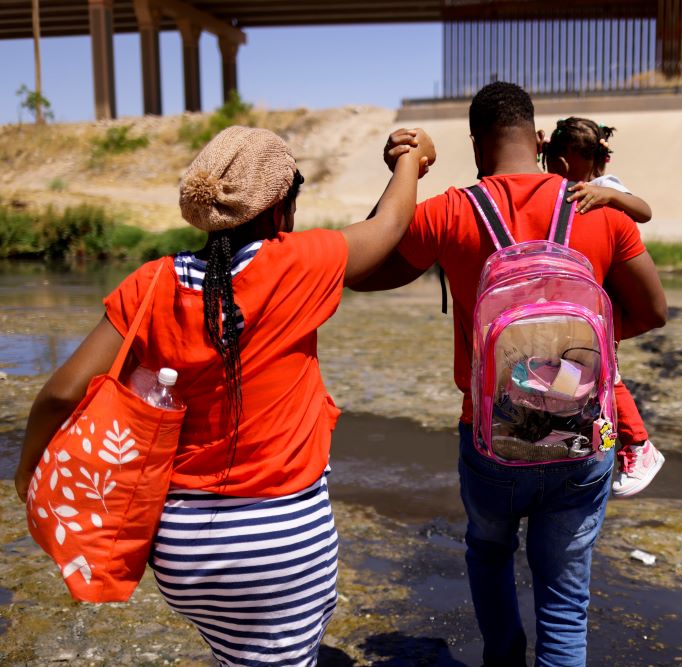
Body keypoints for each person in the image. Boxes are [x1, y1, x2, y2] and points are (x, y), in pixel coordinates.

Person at [15, 125, 435, 667]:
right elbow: (390, 224)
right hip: (280, 541)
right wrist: (410, 160)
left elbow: (62, 393)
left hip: (180, 549)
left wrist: (28, 474)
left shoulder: (152, 283)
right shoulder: (300, 262)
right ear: (277, 207)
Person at [356, 82, 667, 667]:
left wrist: (404, 173)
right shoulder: (596, 206)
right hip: (585, 434)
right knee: (565, 598)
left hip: (489, 433)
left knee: (490, 552)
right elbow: (653, 312)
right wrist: (570, 352)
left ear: (477, 145)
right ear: (541, 137)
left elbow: (362, 265)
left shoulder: (451, 210)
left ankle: (502, 657)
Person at [541, 116, 665, 497]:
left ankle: (640, 446)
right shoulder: (578, 186)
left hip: (602, 304)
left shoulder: (604, 188)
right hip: (589, 303)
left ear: (561, 165)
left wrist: (611, 196)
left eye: (550, 162)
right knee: (580, 376)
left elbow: (643, 210)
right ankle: (583, 432)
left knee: (607, 378)